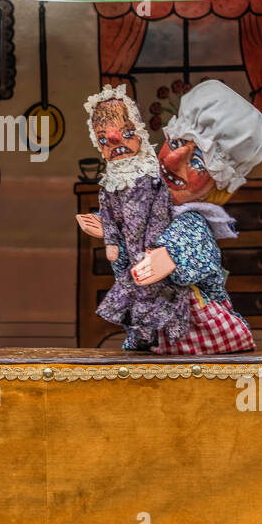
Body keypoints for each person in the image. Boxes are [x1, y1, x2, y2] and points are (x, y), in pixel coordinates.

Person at [79, 80, 262, 355]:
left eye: (197, 161)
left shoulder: (193, 220)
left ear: (220, 180)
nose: (171, 160)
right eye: (176, 142)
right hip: (155, 337)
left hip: (196, 336)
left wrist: (169, 257)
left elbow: (196, 249)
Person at [78, 85, 189, 350]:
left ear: (138, 133)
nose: (115, 143)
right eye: (103, 139)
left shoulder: (151, 179)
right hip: (127, 253)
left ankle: (167, 332)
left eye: (126, 134)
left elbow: (160, 211)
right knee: (133, 294)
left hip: (152, 250)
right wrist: (111, 241)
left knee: (154, 290)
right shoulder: (110, 186)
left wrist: (152, 245)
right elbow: (108, 215)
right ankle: (141, 334)